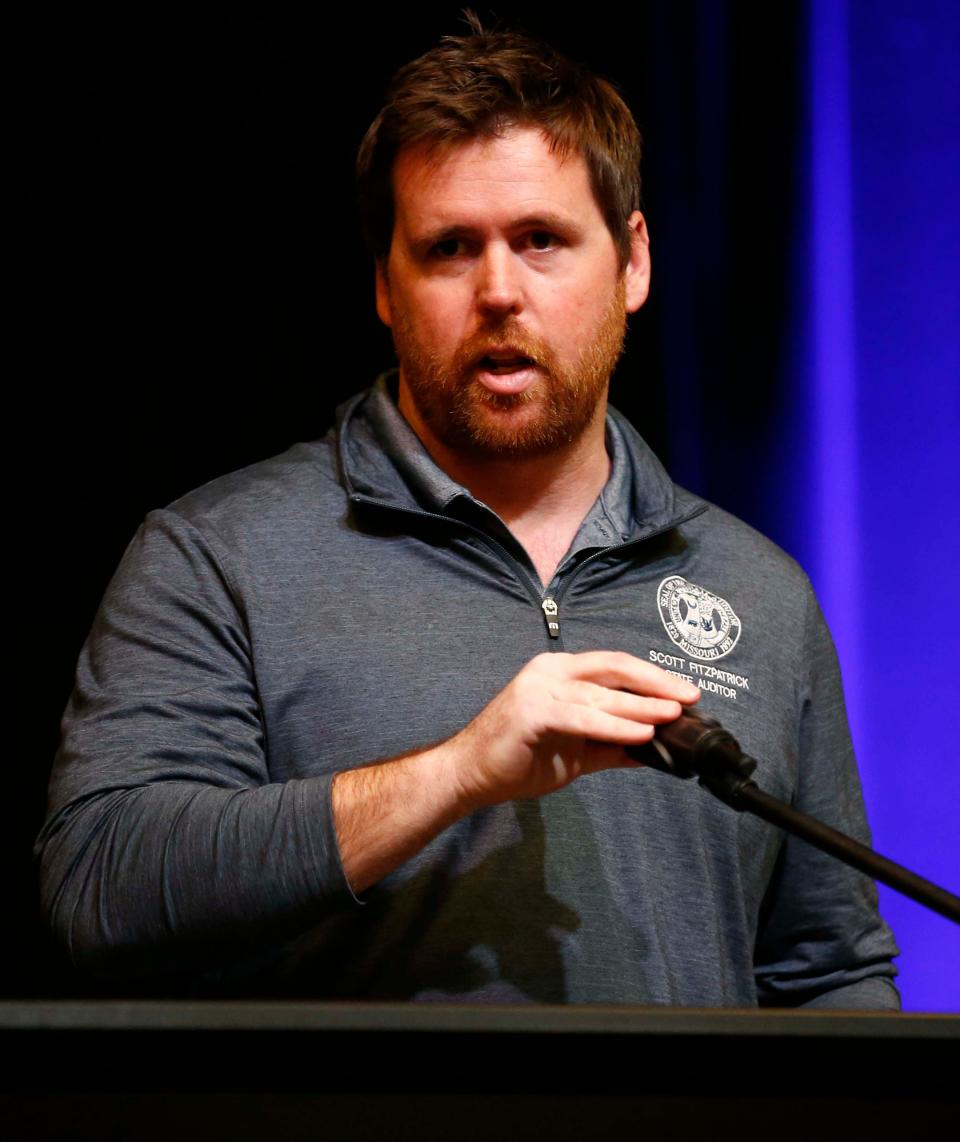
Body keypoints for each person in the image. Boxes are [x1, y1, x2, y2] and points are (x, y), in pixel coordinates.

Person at [38, 19, 899, 1006]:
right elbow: (99, 886)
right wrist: (455, 773)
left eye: (542, 240)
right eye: (449, 248)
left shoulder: (756, 588)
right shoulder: (217, 558)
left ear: (632, 262)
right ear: (384, 287)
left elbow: (829, 973)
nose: (498, 291)